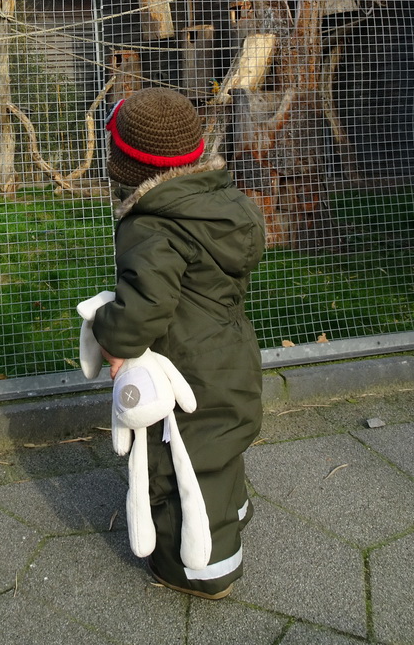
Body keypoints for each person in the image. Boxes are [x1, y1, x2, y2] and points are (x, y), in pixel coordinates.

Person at [92, 87, 265, 600]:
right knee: (222, 440)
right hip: (231, 350)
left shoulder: (152, 227)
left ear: (126, 163)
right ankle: (232, 512)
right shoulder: (223, 201)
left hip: (187, 365)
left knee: (179, 458)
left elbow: (145, 304)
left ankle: (198, 568)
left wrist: (109, 332)